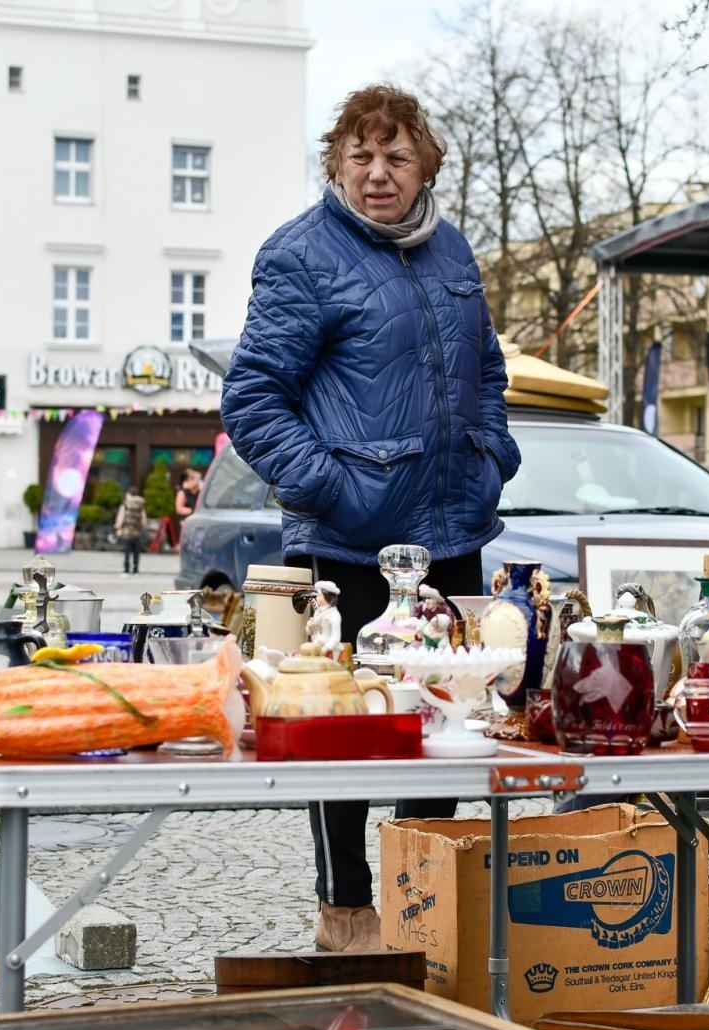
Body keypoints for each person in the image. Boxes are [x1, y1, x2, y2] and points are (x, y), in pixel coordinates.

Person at [221, 84, 519, 952]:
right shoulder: (301, 255)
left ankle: (422, 909)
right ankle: (346, 909)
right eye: (361, 157)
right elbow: (253, 397)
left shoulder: (452, 252)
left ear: (425, 163)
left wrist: (492, 454)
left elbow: (489, 372)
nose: (378, 174)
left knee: (447, 720)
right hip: (350, 539)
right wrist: (327, 486)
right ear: (337, 165)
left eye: (395, 157)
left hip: (454, 530)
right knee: (346, 731)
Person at [113, 486, 147, 574]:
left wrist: (118, 526)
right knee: (136, 551)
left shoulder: (125, 504)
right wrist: (142, 527)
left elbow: (121, 516)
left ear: (129, 493)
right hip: (137, 531)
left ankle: (126, 568)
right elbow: (144, 518)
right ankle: (136, 568)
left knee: (127, 551)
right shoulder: (141, 504)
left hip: (127, 531)